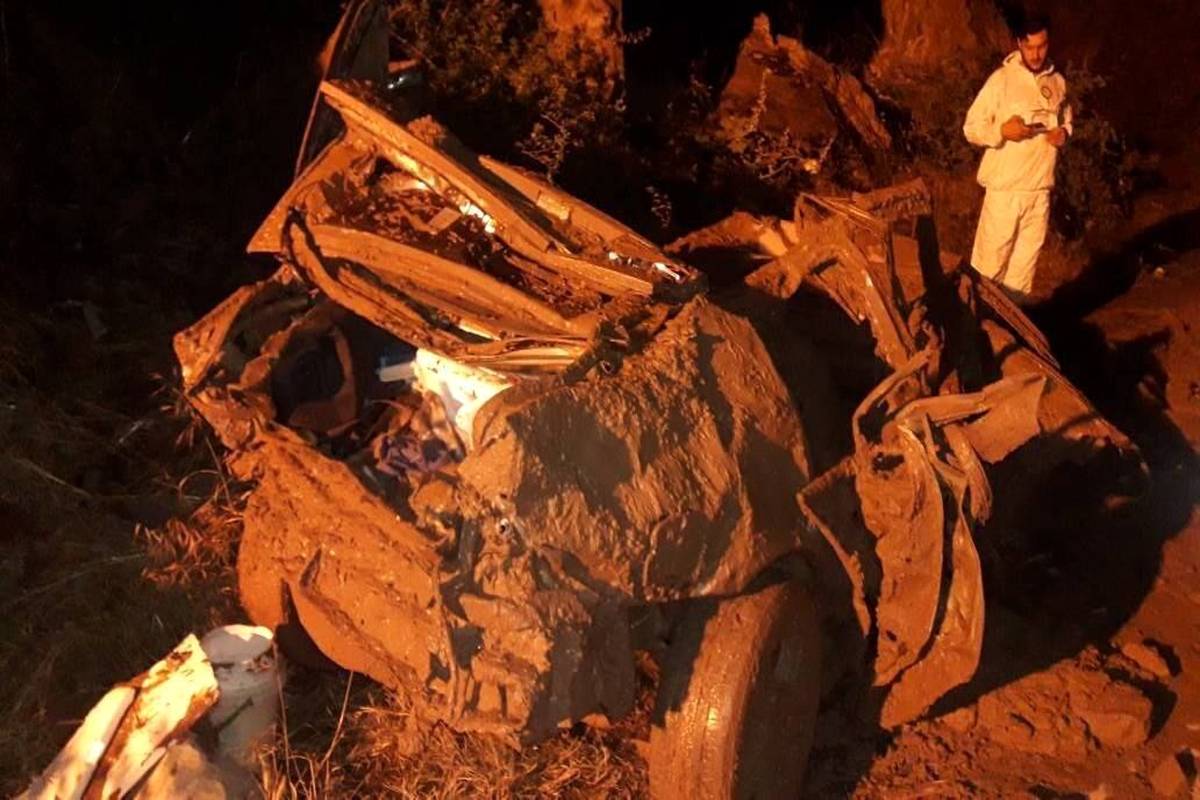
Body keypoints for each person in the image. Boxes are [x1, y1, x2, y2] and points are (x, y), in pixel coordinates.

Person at [963, 13, 1072, 303]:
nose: (1036, 54)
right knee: (988, 269)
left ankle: (1010, 325)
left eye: (1042, 46)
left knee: (1022, 275)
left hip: (1039, 190)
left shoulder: (1057, 82)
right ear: (1019, 44)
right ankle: (973, 323)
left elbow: (1066, 120)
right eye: (1030, 47)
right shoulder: (1001, 81)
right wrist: (1001, 131)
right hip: (1005, 191)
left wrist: (1063, 133)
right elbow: (971, 127)